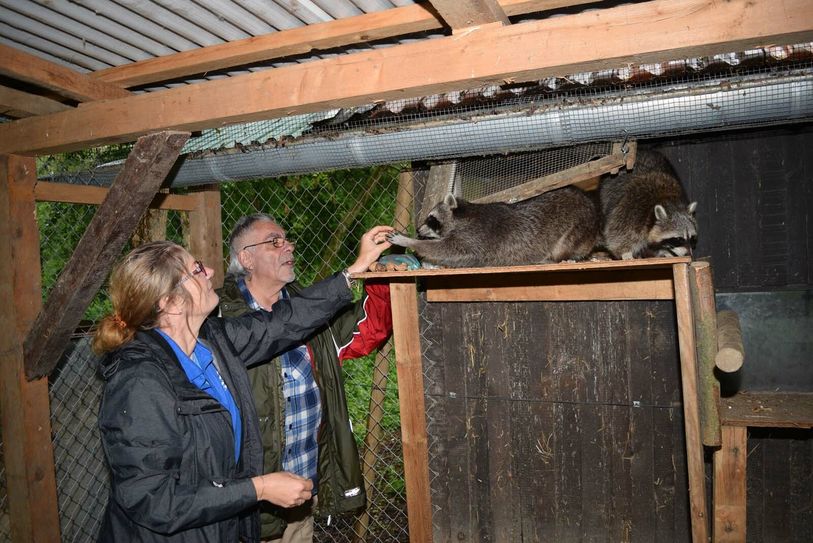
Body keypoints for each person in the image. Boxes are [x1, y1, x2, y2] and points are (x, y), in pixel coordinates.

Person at [92, 227, 392, 542]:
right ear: (172, 303)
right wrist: (259, 488)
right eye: (196, 270)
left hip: (220, 527)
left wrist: (353, 272)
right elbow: (152, 500)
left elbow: (282, 323)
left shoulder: (212, 342)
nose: (209, 270)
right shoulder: (139, 382)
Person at [218, 214, 394, 542]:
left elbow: (368, 329)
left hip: (302, 494)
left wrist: (378, 273)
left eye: (287, 239)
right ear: (246, 259)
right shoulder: (217, 317)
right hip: (248, 505)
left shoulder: (313, 309)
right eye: (274, 241)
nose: (289, 246)